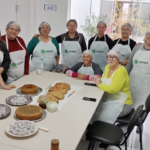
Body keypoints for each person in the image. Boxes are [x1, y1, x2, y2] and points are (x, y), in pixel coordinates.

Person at [92, 49, 133, 124]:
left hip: (123, 104)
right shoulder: (107, 67)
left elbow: (113, 90)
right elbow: (104, 79)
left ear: (119, 59)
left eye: (114, 57)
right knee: (93, 109)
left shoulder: (121, 71)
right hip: (111, 100)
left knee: (97, 113)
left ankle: (99, 131)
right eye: (109, 56)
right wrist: (99, 79)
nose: (111, 59)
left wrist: (99, 84)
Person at [126, 29, 150, 108]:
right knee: (130, 107)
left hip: (146, 86)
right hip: (133, 83)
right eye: (148, 34)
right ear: (145, 36)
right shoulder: (137, 48)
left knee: (143, 109)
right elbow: (129, 65)